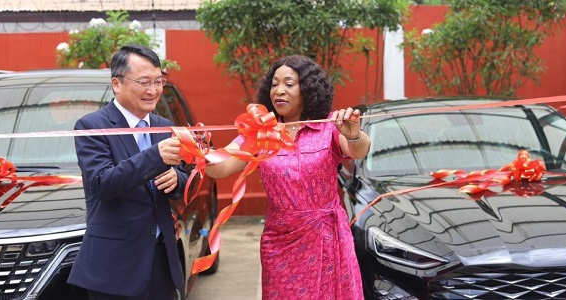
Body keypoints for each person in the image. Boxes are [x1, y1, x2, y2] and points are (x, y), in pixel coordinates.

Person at [206, 55, 371, 299]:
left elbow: (358, 150)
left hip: (327, 237)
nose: (279, 91)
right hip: (280, 241)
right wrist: (197, 152)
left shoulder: (328, 126)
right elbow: (221, 167)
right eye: (274, 84)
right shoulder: (260, 132)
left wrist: (355, 134)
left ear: (307, 89)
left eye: (288, 84)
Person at [68, 44, 188, 299]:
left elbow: (182, 180)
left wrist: (176, 178)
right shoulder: (92, 126)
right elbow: (102, 184)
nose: (153, 90)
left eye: (158, 82)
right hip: (114, 267)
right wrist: (155, 157)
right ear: (117, 83)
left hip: (160, 259)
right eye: (144, 82)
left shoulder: (163, 125)